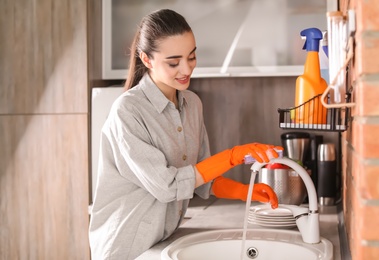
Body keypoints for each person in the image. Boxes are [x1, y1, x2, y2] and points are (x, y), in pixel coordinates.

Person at [89, 9, 283, 259]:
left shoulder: (192, 104)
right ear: (146, 59)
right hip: (125, 247)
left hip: (163, 240)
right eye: (173, 62)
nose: (186, 68)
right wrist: (232, 156)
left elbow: (202, 176)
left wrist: (244, 191)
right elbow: (169, 186)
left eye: (191, 57)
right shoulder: (127, 111)